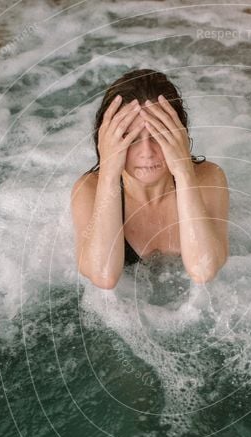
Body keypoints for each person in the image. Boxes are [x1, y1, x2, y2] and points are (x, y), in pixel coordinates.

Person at [70, 69, 229, 289]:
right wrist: (108, 173)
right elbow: (103, 276)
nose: (147, 152)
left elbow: (204, 270)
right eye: (132, 139)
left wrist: (183, 171)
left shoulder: (208, 178)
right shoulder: (89, 189)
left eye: (159, 136)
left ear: (179, 135)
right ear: (108, 140)